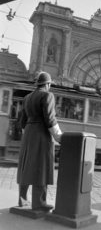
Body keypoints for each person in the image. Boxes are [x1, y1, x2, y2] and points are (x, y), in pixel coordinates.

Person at [17, 72, 62, 211]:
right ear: (48, 84)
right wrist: (59, 136)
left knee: (26, 165)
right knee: (41, 167)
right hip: (41, 135)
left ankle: (22, 199)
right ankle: (39, 203)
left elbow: (22, 122)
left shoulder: (27, 98)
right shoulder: (47, 95)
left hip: (28, 134)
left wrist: (28, 135)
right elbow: (50, 119)